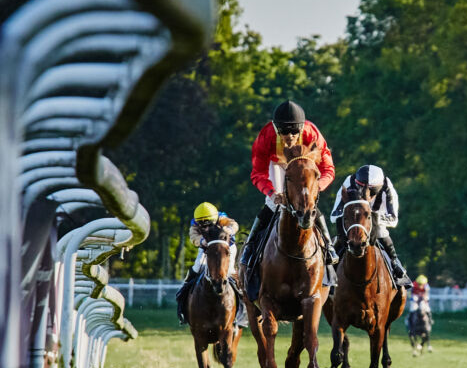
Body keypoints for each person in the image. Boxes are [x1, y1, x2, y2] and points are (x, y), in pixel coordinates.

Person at [238, 100, 338, 299]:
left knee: (307, 203)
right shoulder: (266, 136)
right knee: (271, 205)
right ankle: (249, 250)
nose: (290, 137)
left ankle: (328, 247)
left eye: (294, 132)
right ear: (276, 128)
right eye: (284, 132)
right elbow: (257, 173)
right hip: (277, 166)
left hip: (304, 165)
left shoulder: (312, 133)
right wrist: (271, 193)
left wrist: (316, 187)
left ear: (302, 128)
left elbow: (328, 168)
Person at [329, 164, 411, 286]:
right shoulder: (348, 182)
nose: (365, 192)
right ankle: (329, 267)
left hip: (376, 219)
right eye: (360, 187)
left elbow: (393, 220)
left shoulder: (387, 188)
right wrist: (351, 215)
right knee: (341, 229)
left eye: (371, 190)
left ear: (378, 187)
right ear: (356, 183)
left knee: (381, 231)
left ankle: (395, 263)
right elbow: (334, 215)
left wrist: (372, 217)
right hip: (353, 219)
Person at [176, 202, 239, 324]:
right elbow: (193, 236)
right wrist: (201, 241)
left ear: (214, 218)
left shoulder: (222, 218)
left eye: (208, 223)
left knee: (230, 271)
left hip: (227, 248)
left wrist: (229, 229)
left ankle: (241, 299)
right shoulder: (194, 223)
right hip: (207, 248)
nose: (204, 226)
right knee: (197, 267)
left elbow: (234, 224)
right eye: (201, 224)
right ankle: (184, 290)